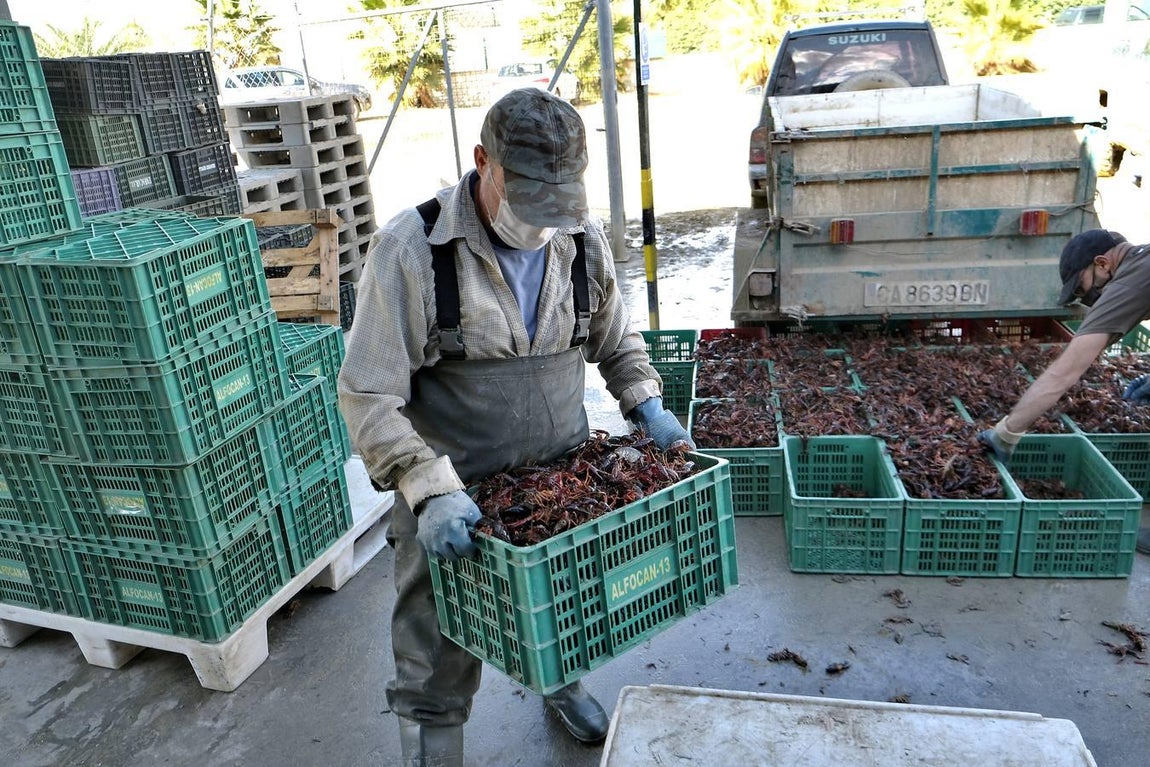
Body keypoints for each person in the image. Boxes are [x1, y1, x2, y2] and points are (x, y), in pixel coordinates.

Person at [337, 87, 692, 766]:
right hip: (454, 494)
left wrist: (647, 404)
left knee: (563, 609)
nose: (541, 224)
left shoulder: (581, 241)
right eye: (529, 201)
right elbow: (368, 394)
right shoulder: (412, 250)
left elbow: (617, 342)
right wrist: (425, 484)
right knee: (435, 640)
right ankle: (432, 739)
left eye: (557, 204)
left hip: (557, 484)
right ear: (483, 163)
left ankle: (559, 680)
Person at [977, 228, 1150, 555]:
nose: (1089, 300)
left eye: (1084, 290)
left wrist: (1007, 432)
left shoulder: (1127, 283)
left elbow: (1064, 372)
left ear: (1103, 264)